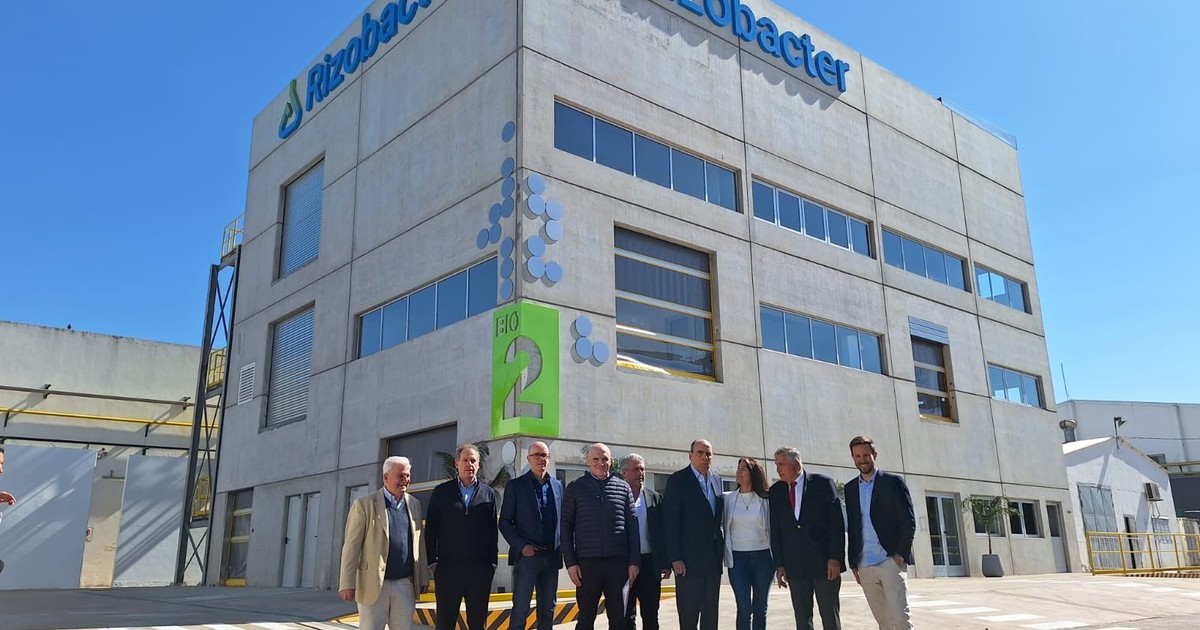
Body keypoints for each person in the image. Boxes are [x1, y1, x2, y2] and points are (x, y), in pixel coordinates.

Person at [339, 456, 429, 630]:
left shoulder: (414, 504)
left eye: (408, 476)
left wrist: (423, 577)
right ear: (386, 477)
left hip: (405, 584)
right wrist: (347, 583)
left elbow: (419, 543)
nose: (405, 480)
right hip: (373, 584)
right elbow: (351, 547)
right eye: (400, 476)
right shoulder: (364, 505)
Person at [560, 443, 640, 630]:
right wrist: (571, 563)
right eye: (595, 459)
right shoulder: (575, 488)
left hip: (618, 565)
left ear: (611, 461)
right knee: (586, 619)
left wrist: (634, 561)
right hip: (587, 566)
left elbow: (632, 527)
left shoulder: (623, 488)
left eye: (605, 459)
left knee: (619, 620)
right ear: (588, 462)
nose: (600, 463)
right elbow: (565, 527)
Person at [769, 446, 845, 630]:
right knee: (802, 619)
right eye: (776, 465)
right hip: (795, 567)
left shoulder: (822, 484)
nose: (778, 469)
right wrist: (779, 564)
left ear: (796, 464)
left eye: (781, 464)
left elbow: (837, 524)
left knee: (830, 616)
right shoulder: (776, 491)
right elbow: (776, 530)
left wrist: (835, 557)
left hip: (825, 565)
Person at [844, 436, 916, 630]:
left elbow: (908, 521)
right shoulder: (850, 488)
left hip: (889, 560)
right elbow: (853, 526)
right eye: (857, 456)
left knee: (900, 618)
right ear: (853, 458)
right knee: (884, 622)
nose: (862, 460)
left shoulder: (892, 482)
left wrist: (899, 555)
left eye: (866, 455)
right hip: (864, 563)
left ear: (874, 455)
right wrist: (853, 562)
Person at [425, 444, 499, 630]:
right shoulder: (442, 492)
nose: (469, 464)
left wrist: (491, 565)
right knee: (445, 623)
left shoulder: (488, 494)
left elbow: (492, 533)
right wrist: (433, 563)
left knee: (477, 624)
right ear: (456, 463)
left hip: (479, 572)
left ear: (478, 465)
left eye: (473, 460)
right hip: (448, 571)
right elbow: (431, 529)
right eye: (465, 460)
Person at [499, 441, 564, 630]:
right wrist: (522, 546)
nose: (540, 459)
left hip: (551, 557)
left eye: (544, 455)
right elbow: (504, 522)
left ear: (549, 458)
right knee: (520, 610)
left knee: (548, 611)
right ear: (529, 459)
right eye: (536, 455)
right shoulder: (516, 486)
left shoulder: (558, 486)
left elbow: (563, 520)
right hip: (527, 557)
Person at [663, 439, 723, 630]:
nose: (705, 457)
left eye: (708, 453)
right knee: (689, 615)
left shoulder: (717, 480)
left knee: (711, 615)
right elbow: (670, 522)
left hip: (712, 559)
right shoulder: (678, 480)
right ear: (690, 456)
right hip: (688, 562)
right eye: (700, 453)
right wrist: (675, 557)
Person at [722, 457, 773, 630]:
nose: (739, 472)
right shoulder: (728, 499)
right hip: (738, 559)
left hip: (763, 558)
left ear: (753, 473)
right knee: (744, 607)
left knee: (760, 606)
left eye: (743, 468)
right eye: (738, 468)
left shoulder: (766, 499)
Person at [621, 453, 668, 630]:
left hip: (649, 564)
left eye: (642, 469)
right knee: (626, 614)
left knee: (650, 614)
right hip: (625, 563)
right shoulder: (617, 498)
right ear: (624, 472)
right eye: (635, 469)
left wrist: (665, 563)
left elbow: (662, 533)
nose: (640, 473)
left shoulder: (654, 498)